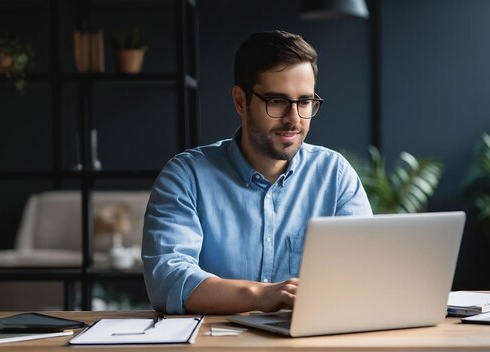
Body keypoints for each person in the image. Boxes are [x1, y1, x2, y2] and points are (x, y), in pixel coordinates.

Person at [142, 30, 372, 315]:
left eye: (304, 102)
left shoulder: (334, 176)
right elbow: (168, 280)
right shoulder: (186, 176)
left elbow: (364, 274)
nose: (294, 119)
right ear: (240, 101)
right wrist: (262, 295)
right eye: (276, 101)